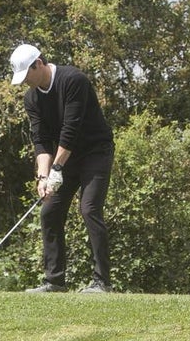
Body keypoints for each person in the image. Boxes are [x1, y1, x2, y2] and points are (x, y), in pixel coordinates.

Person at [9, 43, 115, 294]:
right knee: (50, 212)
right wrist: (44, 176)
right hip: (64, 159)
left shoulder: (72, 80)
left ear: (39, 63)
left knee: (89, 209)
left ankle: (103, 283)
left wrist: (57, 168)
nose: (25, 82)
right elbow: (41, 140)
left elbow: (71, 128)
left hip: (95, 152)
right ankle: (54, 281)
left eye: (27, 75)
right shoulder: (32, 97)